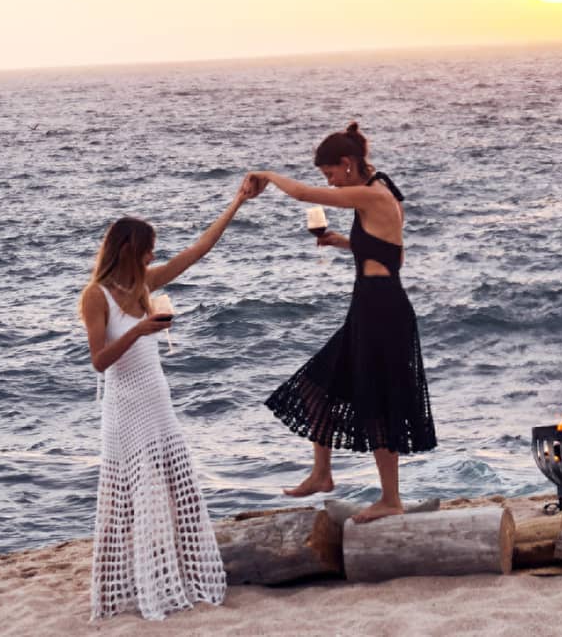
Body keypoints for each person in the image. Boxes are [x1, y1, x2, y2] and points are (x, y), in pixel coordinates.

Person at [79, 178, 260, 622]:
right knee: (127, 498)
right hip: (125, 408)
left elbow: (198, 250)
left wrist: (237, 202)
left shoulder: (145, 284)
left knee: (176, 490)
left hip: (158, 401)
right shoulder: (95, 296)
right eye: (148, 249)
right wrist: (140, 330)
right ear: (128, 249)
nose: (152, 256)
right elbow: (100, 362)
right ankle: (121, 587)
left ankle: (176, 573)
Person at [252, 123, 436, 523]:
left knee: (378, 400)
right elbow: (394, 254)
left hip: (382, 309)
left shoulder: (373, 194)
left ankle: (391, 499)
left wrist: (267, 175)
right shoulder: (377, 192)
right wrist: (346, 243)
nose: (330, 182)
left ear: (348, 163)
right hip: (370, 305)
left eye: (330, 173)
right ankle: (322, 473)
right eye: (326, 176)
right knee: (315, 385)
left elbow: (303, 194)